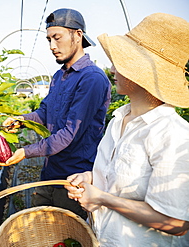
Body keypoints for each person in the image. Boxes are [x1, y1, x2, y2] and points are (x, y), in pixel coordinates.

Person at [65, 13, 189, 246]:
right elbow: (120, 176)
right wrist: (91, 178)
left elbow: (177, 223)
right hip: (103, 238)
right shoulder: (118, 120)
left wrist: (102, 198)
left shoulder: (174, 135)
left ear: (141, 72)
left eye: (121, 62)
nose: (112, 68)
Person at [0, 8, 111, 220]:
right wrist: (20, 120)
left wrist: (26, 151)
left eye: (57, 38)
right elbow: (44, 113)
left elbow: (70, 133)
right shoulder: (59, 76)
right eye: (49, 39)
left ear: (77, 35)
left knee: (67, 234)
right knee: (41, 228)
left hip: (74, 180)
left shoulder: (92, 79)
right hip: (50, 172)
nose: (52, 46)